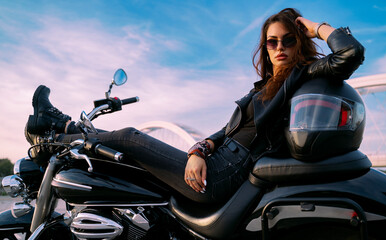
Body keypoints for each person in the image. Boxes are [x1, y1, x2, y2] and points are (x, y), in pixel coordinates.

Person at [24, 8, 364, 203]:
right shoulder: (262, 89)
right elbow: (222, 132)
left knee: (129, 136)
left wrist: (315, 28)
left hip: (225, 175)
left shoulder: (302, 76)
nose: (280, 47)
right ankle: (59, 130)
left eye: (289, 40)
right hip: (215, 162)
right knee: (124, 167)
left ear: (299, 41)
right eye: (272, 41)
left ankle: (56, 130)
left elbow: (350, 53)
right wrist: (198, 150)